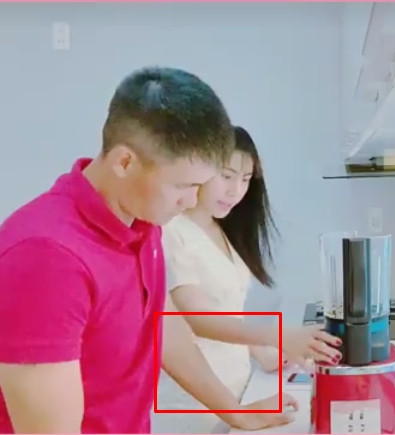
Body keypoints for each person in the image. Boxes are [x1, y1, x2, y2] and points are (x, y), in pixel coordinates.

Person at [0, 66, 236, 433]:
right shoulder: (47, 257)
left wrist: (234, 410)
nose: (191, 202)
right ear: (125, 162)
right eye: (183, 186)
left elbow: (158, 323)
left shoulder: (142, 220)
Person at [155, 126, 342, 433]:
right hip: (191, 404)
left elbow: (227, 309)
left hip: (233, 391)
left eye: (245, 179)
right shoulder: (172, 232)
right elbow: (199, 319)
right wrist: (278, 336)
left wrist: (263, 353)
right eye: (227, 176)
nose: (235, 191)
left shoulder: (221, 229)